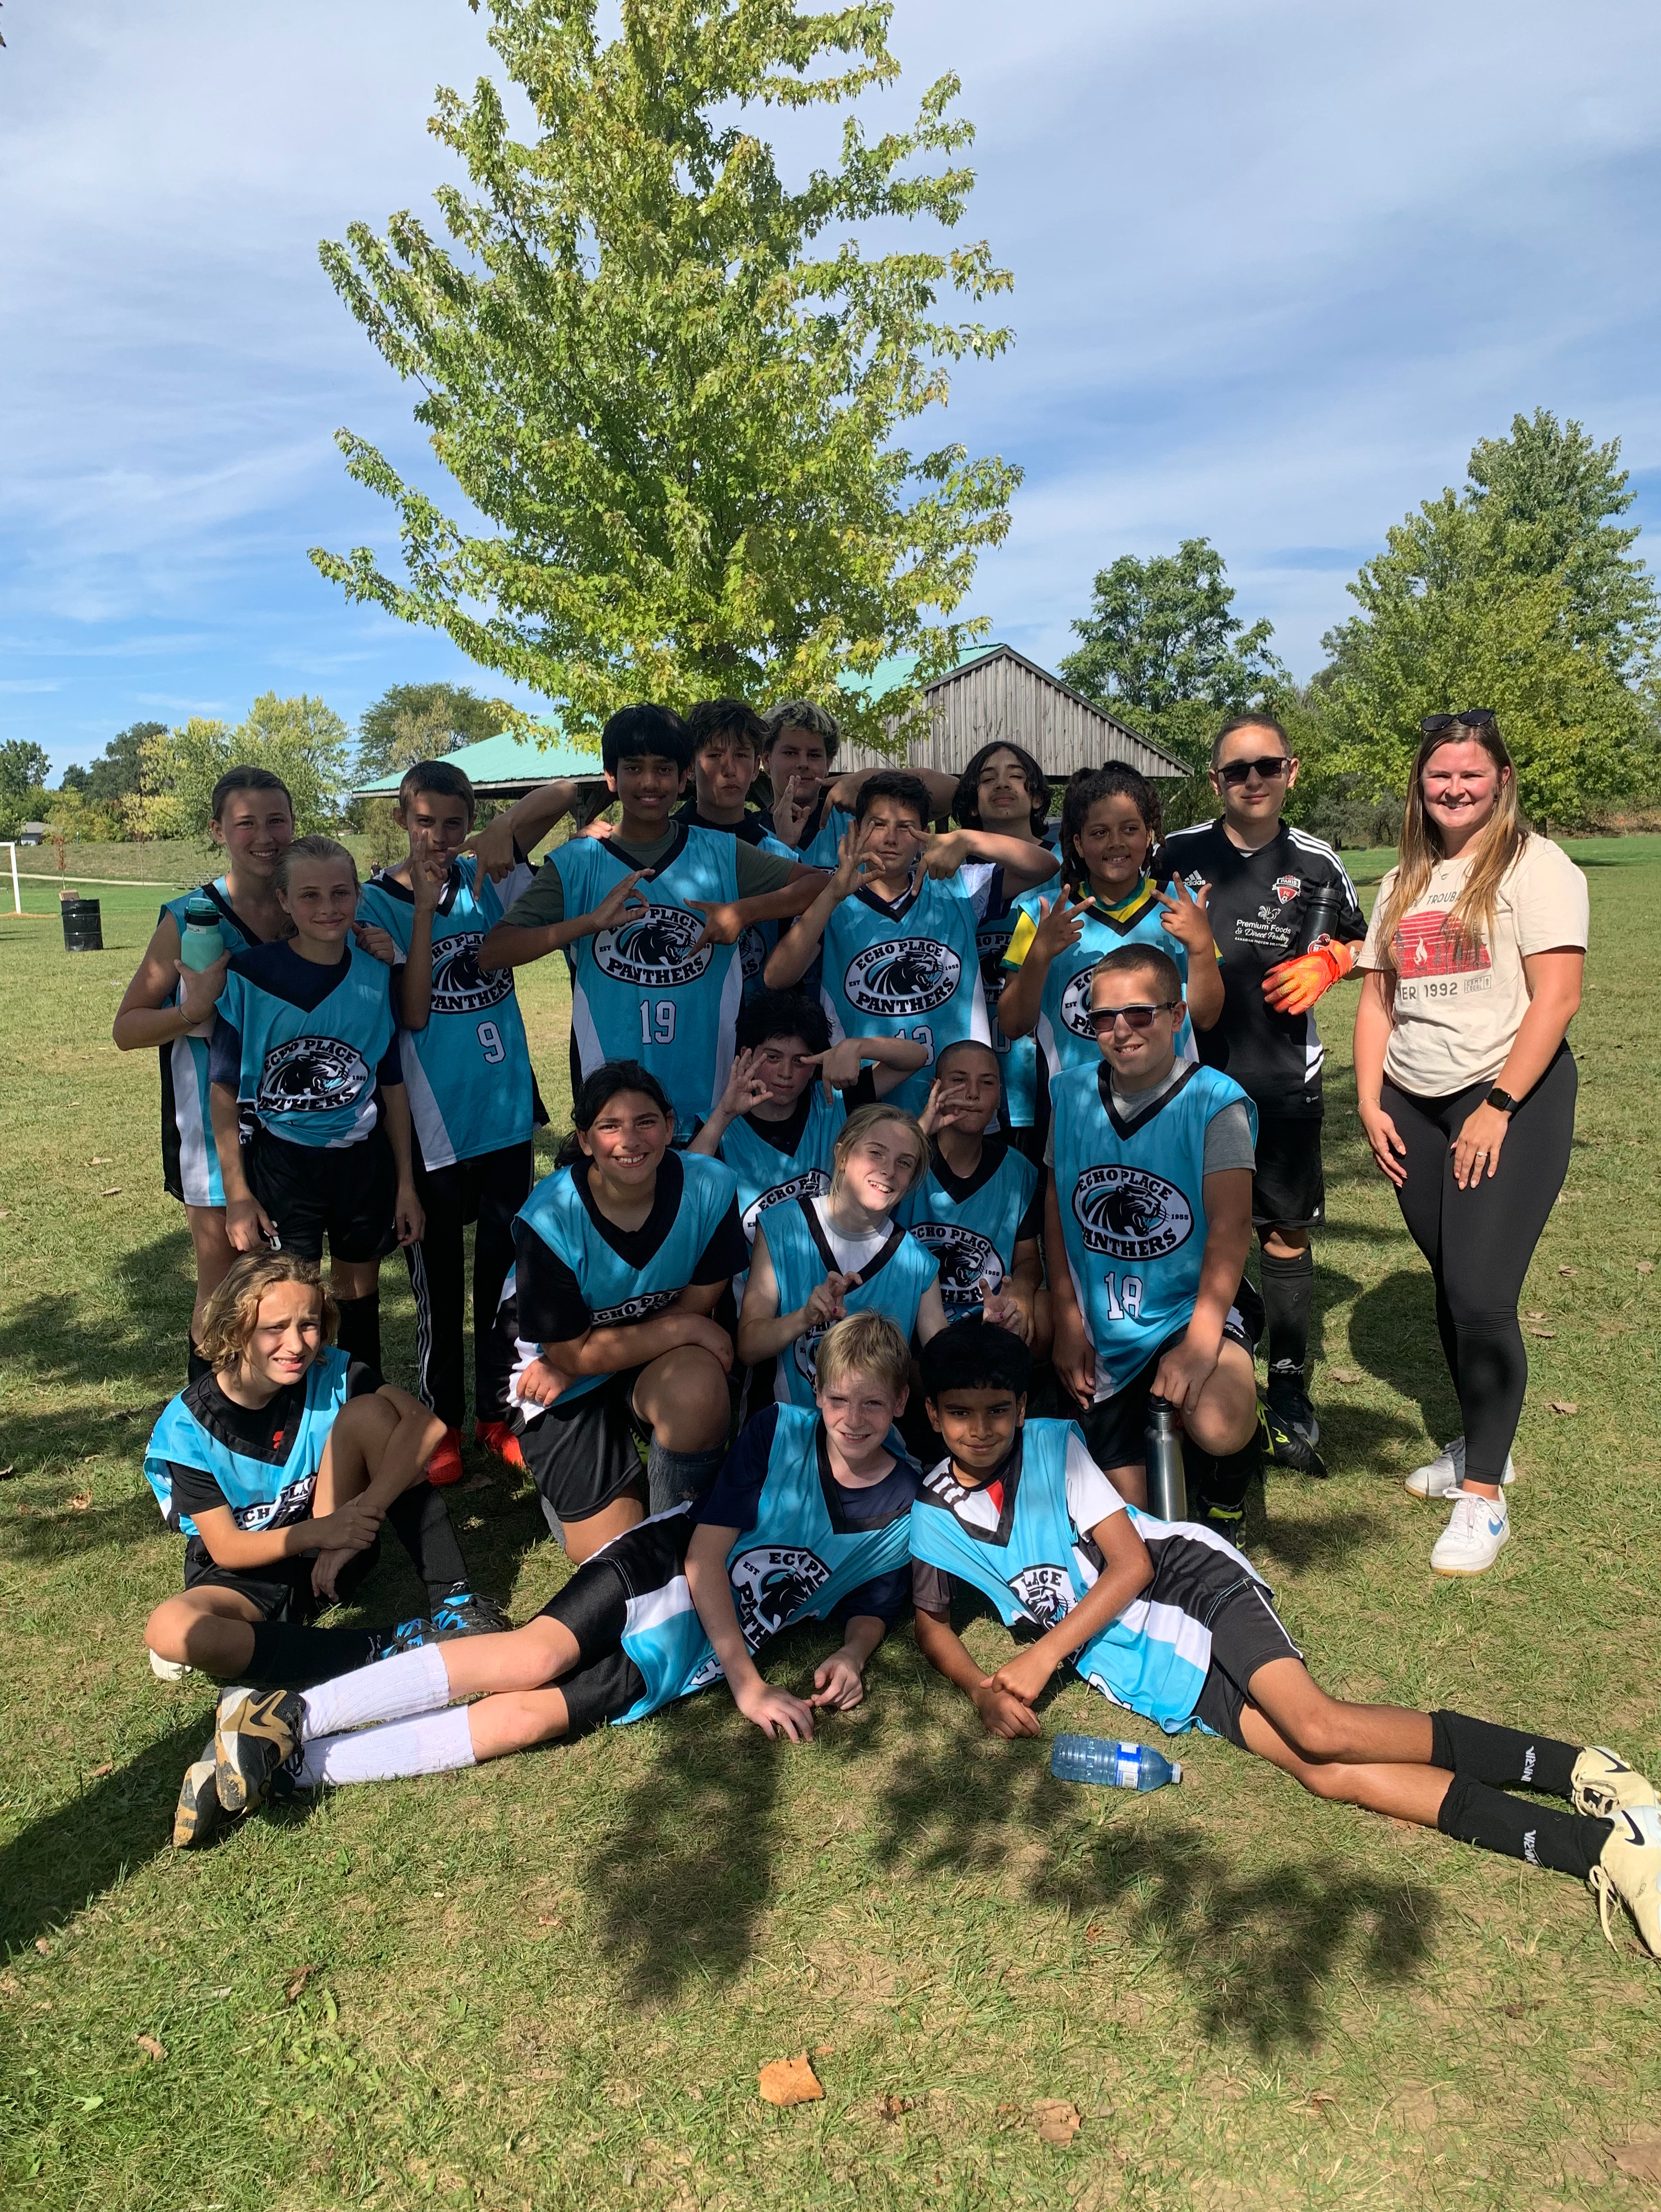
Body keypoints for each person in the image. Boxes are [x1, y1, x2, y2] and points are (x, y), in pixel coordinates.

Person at [907, 1320, 1660, 1962]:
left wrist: (1040, 1656)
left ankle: (1586, 1769)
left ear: (1020, 1407)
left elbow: (1134, 1563)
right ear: (934, 1418)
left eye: (997, 1410)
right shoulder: (933, 1515)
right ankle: (1600, 1851)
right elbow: (933, 1625)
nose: (981, 1429)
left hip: (1191, 1589)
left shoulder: (1050, 1448)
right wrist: (979, 1686)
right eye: (961, 1414)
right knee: (1326, 1772)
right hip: (1167, 1675)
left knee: (1319, 1725)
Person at [191, 1314, 923, 1843]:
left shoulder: (905, 1507)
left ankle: (290, 1767)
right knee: (528, 1658)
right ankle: (294, 1716)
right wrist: (749, 1683)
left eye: (873, 1403)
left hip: (682, 1656)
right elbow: (704, 1558)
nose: (852, 1418)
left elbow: (876, 1597)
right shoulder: (778, 1432)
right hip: (659, 1571)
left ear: (901, 1406)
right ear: (815, 1393)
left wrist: (854, 1655)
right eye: (838, 1398)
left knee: (525, 1719)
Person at [145, 1251, 506, 1836]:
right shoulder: (187, 1425)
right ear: (235, 1329)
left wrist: (361, 1513)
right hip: (249, 1575)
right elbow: (231, 1549)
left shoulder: (331, 1371)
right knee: (169, 1630)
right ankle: (383, 1645)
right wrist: (321, 1532)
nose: (297, 1343)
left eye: (309, 1324)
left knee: (372, 1415)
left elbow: (427, 1427)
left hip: (330, 1553)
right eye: (274, 1328)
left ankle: (457, 1602)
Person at [1354, 711, 1587, 1576]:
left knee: (1484, 1294)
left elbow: (1557, 998)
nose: (1453, 788)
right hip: (1413, 1103)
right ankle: (1482, 1442)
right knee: (1454, 1286)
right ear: (1420, 783)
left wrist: (1496, 1105)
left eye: (1471, 775)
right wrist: (1372, 1102)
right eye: (1439, 775)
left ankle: (1484, 1497)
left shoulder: (1538, 867)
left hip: (1507, 1097)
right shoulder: (1403, 881)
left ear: (1501, 779)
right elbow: (1377, 1001)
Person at [1159, 719, 1367, 1475]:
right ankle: (1187, 1366)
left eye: (1267, 766)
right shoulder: (1176, 852)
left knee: (1282, 1233)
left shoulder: (1316, 859)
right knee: (1181, 1226)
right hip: (1178, 1081)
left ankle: (1286, 1386)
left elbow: (1368, 942)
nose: (1254, 779)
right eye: (1237, 769)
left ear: (1292, 771)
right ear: (1215, 780)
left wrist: (1335, 962)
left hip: (1281, 1077)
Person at [478, 704, 822, 1141]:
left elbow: (817, 884)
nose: (648, 782)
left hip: (707, 1098)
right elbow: (493, 952)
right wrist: (587, 924)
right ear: (610, 777)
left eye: (663, 769)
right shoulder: (577, 862)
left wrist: (743, 912)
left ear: (683, 779)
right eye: (633, 768)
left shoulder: (721, 852)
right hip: (613, 1102)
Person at [354, 759, 562, 1483]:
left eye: (454, 822)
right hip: (430, 1127)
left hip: (503, 1111)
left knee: (506, 1278)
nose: (439, 837)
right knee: (437, 1288)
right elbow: (408, 1014)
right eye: (424, 822)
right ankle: (436, 1420)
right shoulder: (372, 904)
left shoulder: (487, 879)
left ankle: (495, 1411)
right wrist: (409, 919)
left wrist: (499, 832)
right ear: (400, 820)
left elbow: (563, 795)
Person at [499, 1063, 748, 1562]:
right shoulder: (549, 1217)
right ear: (585, 1141)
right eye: (610, 1127)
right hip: (548, 1371)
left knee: (698, 1384)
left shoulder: (711, 1185)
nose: (630, 1140)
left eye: (646, 1122)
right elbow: (569, 1352)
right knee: (612, 1555)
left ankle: (681, 1530)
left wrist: (593, 1357)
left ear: (671, 1125)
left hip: (616, 1355)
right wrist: (683, 1327)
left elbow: (700, 1298)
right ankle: (567, 1484)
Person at [1045, 945, 1260, 1521]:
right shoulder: (1067, 1094)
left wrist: (1200, 1342)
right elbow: (1056, 1208)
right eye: (1103, 1017)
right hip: (1102, 1320)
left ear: (1177, 1014)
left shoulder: (1218, 1101)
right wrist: (1068, 1319)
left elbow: (1231, 1226)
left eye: (1139, 1013)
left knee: (1217, 1419)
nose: (1121, 1030)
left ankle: (1231, 1480)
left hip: (1186, 1308)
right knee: (1132, 1523)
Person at [208, 837, 421, 1378]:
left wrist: (404, 1184)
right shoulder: (250, 977)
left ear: (357, 895)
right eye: (309, 895)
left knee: (357, 1292)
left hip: (360, 1162)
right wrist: (237, 1193)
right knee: (287, 1299)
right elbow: (224, 1089)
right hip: (283, 1164)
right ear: (283, 901)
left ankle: (363, 1405)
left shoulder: (376, 975)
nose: (327, 907)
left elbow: (391, 1083)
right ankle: (293, 1419)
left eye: (340, 893)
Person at [114, 767, 301, 1379]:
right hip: (210, 1126)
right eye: (246, 822)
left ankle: (283, 1428)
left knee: (292, 1282)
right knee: (221, 1285)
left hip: (299, 1119)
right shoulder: (191, 918)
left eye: (277, 820)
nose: (265, 836)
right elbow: (127, 1027)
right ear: (219, 829)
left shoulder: (307, 906)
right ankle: (206, 1428)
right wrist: (193, 1009)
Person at [764, 770, 1061, 1115]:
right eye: (878, 824)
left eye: (906, 827)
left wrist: (968, 840)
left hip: (958, 1103)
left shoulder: (958, 886)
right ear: (856, 831)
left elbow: (1045, 866)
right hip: (867, 1107)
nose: (891, 838)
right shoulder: (834, 896)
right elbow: (777, 977)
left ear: (924, 838)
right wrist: (831, 896)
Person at [997, 765, 1222, 1144]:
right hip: (1074, 1110)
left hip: (1169, 1107)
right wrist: (1039, 954)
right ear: (1079, 844)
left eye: (1130, 829)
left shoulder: (1179, 909)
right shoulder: (1041, 912)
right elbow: (1013, 1023)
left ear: (1149, 836)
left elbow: (1206, 1017)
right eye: (1099, 833)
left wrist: (1200, 946)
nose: (1116, 842)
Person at [688, 987, 928, 1258]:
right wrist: (724, 1115)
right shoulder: (715, 1126)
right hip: (754, 1291)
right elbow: (685, 1196)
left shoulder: (834, 1100)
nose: (786, 1073)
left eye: (800, 1061)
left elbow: (916, 1058)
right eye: (773, 1057)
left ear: (817, 1063)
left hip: (835, 1277)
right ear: (747, 1055)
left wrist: (857, 1046)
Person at [737, 1102, 946, 1407]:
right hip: (785, 1432)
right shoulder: (781, 1226)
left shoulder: (917, 1263)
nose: (888, 1170)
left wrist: (984, 1341)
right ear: (843, 1156)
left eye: (904, 1163)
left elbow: (945, 1362)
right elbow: (748, 1346)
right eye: (876, 1153)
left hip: (870, 1440)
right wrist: (804, 1318)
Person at [949, 740, 1056, 1157]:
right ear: (971, 803)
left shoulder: (1068, 863)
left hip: (1046, 1065)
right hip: (976, 1069)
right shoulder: (952, 873)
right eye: (987, 778)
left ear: (1038, 796)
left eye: (1015, 774)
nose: (1002, 784)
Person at [905, 1038, 1047, 1351]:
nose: (972, 1093)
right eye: (959, 1081)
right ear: (936, 1089)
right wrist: (920, 1133)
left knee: (1045, 1312)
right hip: (911, 1322)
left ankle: (1012, 1395)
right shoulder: (906, 1162)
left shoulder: (1016, 1170)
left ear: (999, 1096)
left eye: (987, 1083)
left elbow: (1027, 1260)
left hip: (988, 1316)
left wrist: (1021, 1291)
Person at [754, 699, 961, 870]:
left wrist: (869, 779)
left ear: (828, 764)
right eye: (790, 753)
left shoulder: (858, 820)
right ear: (766, 760)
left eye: (814, 755)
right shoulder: (748, 831)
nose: (803, 764)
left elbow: (956, 791)